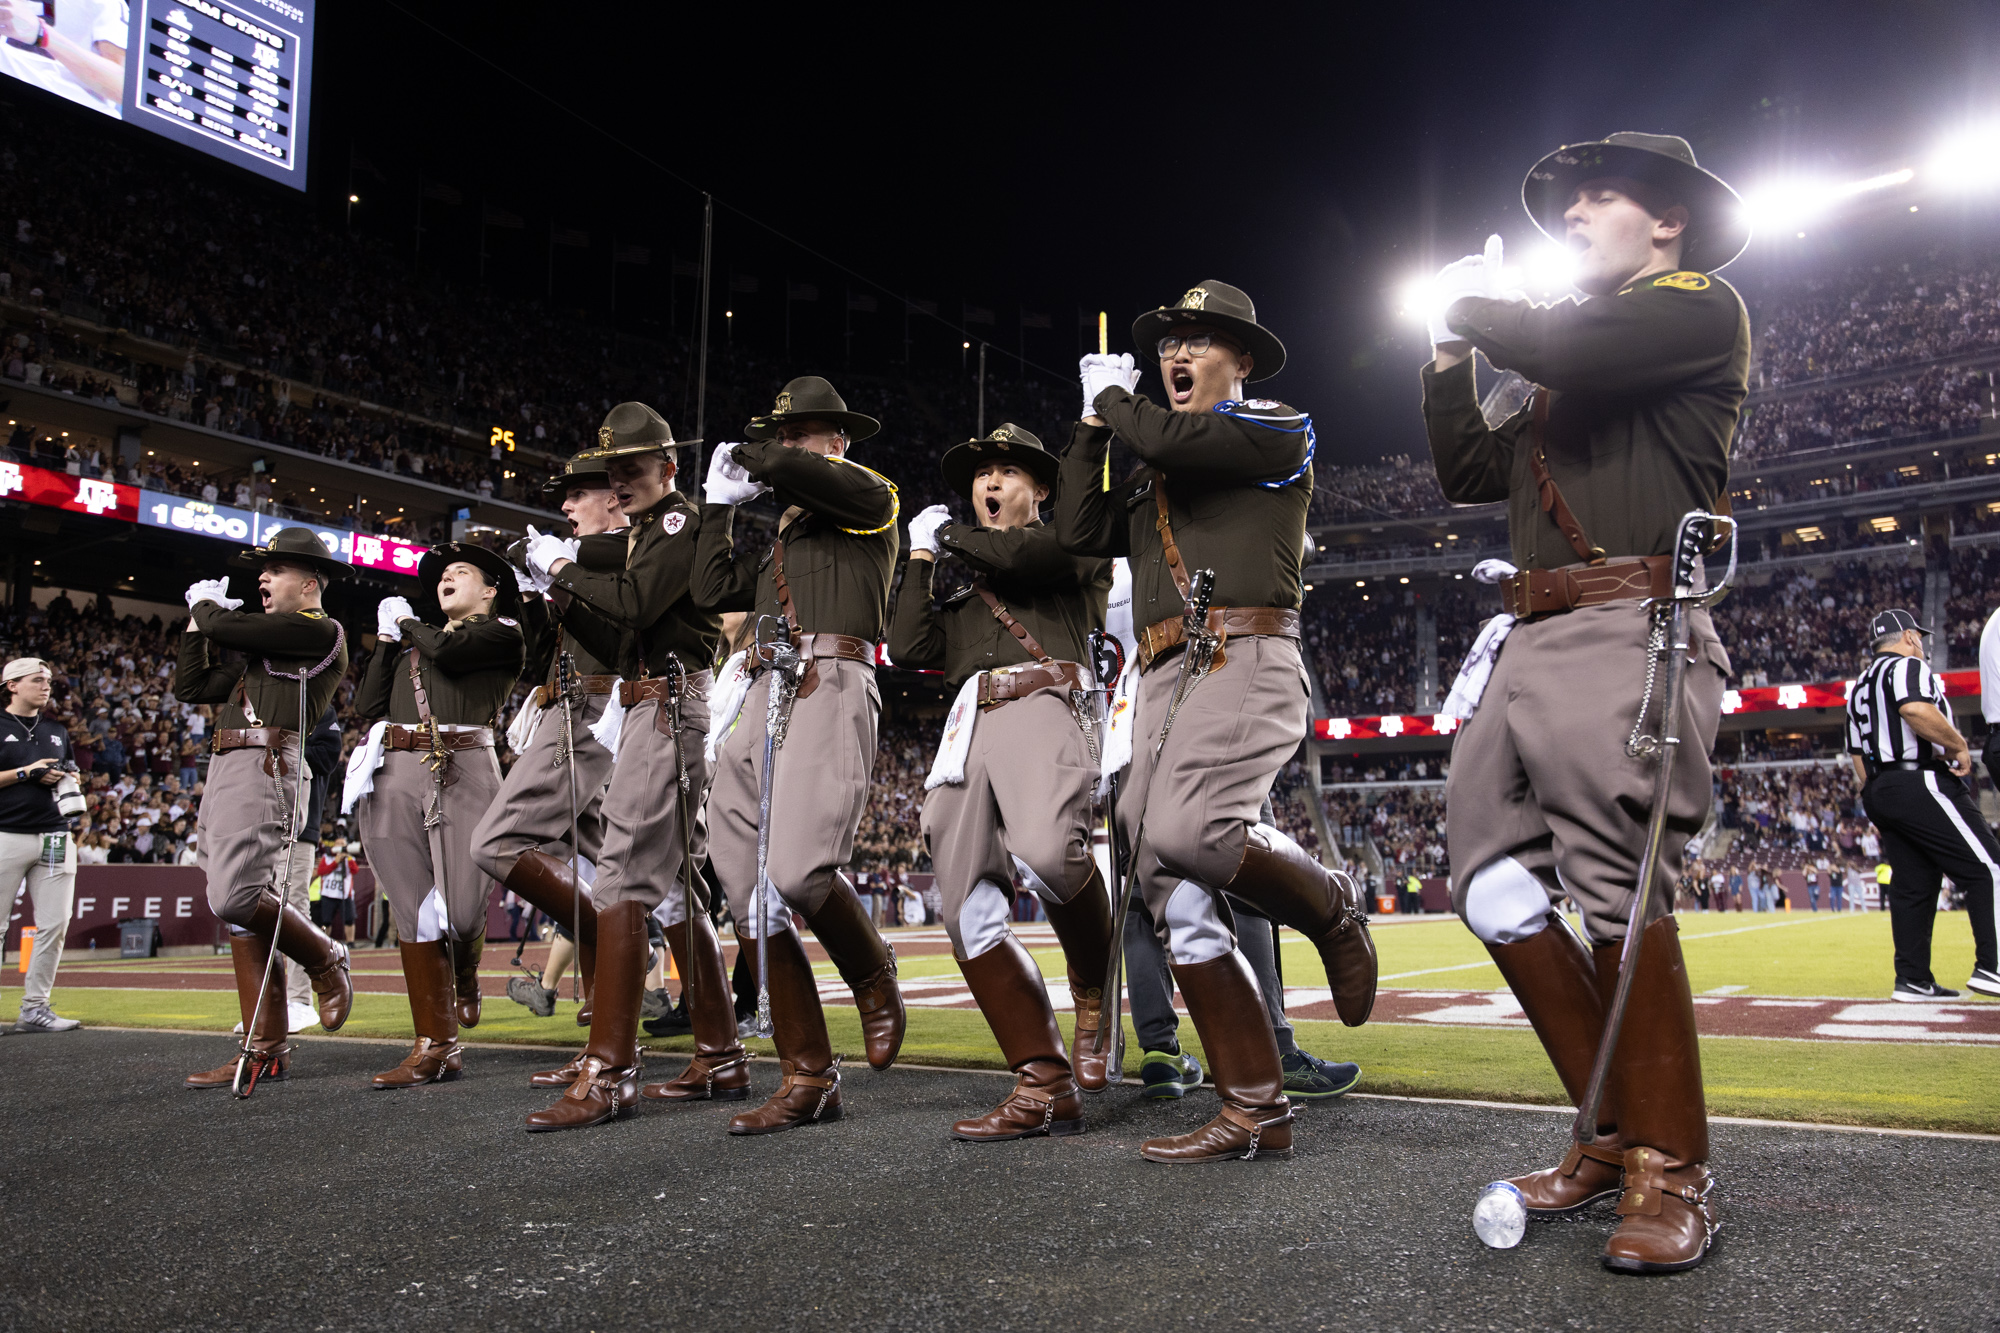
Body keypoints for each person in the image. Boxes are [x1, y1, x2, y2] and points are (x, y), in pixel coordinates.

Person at [1421, 132, 1749, 1271]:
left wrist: (1477, 304)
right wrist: (1439, 350)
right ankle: (1609, 1134)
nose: (1570, 216)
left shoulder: (1695, 305)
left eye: (1595, 198)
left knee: (1612, 882)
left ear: (1665, 220)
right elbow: (1469, 471)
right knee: (1491, 881)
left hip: (1628, 615)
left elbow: (1555, 335)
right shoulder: (1557, 363)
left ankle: (1671, 1167)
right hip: (1526, 627)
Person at [1057, 279, 1376, 1164]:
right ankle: (1255, 1107)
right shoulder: (1154, 453)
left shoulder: (1274, 424)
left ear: (1242, 359)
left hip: (1243, 651)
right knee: (1160, 866)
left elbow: (1163, 432)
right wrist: (1090, 427)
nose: (1177, 353)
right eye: (1169, 342)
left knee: (1194, 830)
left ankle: (1333, 905)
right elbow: (1080, 530)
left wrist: (1116, 402)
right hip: (1162, 671)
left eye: (1201, 340)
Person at [691, 377, 909, 1134]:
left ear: (837, 442)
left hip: (831, 675)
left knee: (799, 868)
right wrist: (720, 505)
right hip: (760, 684)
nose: (785, 450)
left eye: (799, 436)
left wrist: (762, 454)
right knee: (744, 881)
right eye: (782, 437)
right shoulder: (784, 537)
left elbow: (819, 481)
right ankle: (807, 1072)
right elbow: (707, 586)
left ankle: (873, 973)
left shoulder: (871, 497)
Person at [888, 424, 1115, 1138]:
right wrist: (919, 555)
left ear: (1042, 489)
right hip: (967, 725)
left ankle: (1093, 984)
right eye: (982, 472)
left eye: (1008, 472)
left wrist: (948, 535)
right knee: (965, 908)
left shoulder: (1070, 546)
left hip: (1045, 697)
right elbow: (907, 643)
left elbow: (1027, 554)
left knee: (1051, 853)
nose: (990, 481)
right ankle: (1042, 1080)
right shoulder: (971, 594)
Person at [519, 402, 729, 1131]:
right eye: (614, 471)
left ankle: (611, 1071)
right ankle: (721, 1048)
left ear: (668, 469)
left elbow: (636, 604)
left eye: (633, 468)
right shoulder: (645, 530)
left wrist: (562, 565)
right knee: (669, 887)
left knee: (620, 877)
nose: (622, 480)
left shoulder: (676, 522)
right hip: (648, 704)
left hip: (666, 703)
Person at [471, 449, 632, 1085]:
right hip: (571, 702)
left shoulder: (625, 552)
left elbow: (620, 626)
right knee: (599, 862)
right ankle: (603, 1030)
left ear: (614, 499)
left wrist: (562, 571)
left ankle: (614, 942)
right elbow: (545, 655)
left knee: (497, 841)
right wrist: (541, 596)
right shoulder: (586, 560)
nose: (564, 506)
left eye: (577, 495)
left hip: (593, 707)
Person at [175, 527, 354, 1088]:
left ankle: (325, 957)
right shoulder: (267, 651)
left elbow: (227, 626)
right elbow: (191, 683)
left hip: (269, 762)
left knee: (239, 895)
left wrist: (204, 607)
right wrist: (193, 623)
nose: (262, 578)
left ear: (309, 582)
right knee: (239, 906)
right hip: (230, 764)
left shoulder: (320, 629)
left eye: (273, 572)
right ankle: (264, 1047)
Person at [352, 543, 524, 1087]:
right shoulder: (411, 645)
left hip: (468, 762)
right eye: (442, 575)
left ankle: (467, 973)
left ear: (490, 589)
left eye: (461, 572)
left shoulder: (503, 632)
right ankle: (434, 1044)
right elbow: (366, 705)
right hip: (397, 764)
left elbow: (451, 654)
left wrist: (405, 624)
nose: (447, 578)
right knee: (414, 908)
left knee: (466, 912)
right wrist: (384, 641)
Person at [1845, 609, 2000, 1001]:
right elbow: (1914, 709)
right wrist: (1958, 745)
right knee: (1989, 868)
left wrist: (1877, 791)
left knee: (1914, 884)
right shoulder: (1906, 668)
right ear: (1910, 637)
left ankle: (1912, 978)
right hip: (1918, 778)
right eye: (1921, 638)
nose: (1923, 646)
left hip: (1880, 787)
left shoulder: (1860, 685)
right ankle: (1994, 967)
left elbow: (1857, 754)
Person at [0, 657, 82, 1032]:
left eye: (48, 680)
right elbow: (23, 773)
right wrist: (25, 773)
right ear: (12, 685)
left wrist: (68, 778)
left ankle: (35, 1008)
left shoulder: (56, 729)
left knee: (56, 923)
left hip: (54, 833)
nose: (46, 686)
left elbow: (71, 771)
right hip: (6, 834)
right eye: (37, 680)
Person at [278, 705, 343, 1032]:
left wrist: (278, 745)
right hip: (262, 823)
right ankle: (270, 1003)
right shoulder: (265, 705)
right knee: (256, 912)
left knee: (295, 910)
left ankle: (300, 1000)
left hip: (299, 825)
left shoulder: (318, 709)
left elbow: (326, 756)